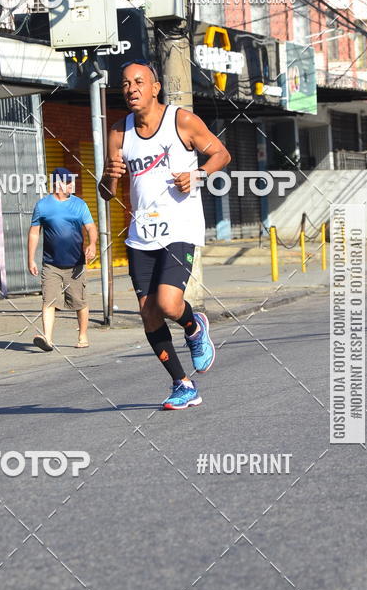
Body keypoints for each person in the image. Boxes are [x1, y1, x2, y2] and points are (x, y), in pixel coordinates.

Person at [99, 60, 231, 409]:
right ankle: (181, 383)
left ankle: (194, 325)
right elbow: (105, 192)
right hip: (141, 234)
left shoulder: (181, 121)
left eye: (139, 82)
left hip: (180, 227)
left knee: (168, 304)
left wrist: (199, 174)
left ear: (155, 87)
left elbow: (221, 152)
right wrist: (111, 177)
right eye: (125, 83)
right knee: (148, 313)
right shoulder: (118, 132)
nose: (132, 89)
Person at [28, 167, 97, 351]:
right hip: (51, 264)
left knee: (79, 302)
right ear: (57, 184)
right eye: (68, 182)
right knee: (49, 300)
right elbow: (34, 233)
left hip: (75, 263)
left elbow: (91, 228)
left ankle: (82, 336)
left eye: (71, 182)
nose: (71, 185)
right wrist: (31, 259)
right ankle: (47, 339)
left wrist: (92, 244)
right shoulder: (42, 206)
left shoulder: (79, 204)